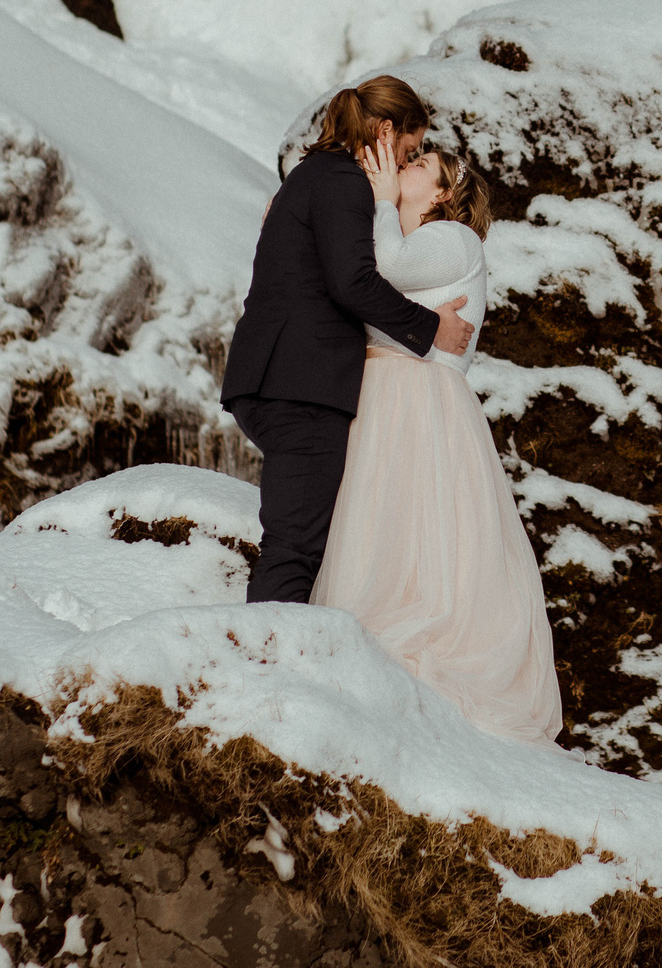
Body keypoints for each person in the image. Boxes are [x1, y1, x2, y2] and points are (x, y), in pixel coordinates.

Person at [310, 135, 563, 748]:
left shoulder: (454, 239)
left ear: (445, 193)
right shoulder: (399, 234)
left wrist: (378, 198)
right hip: (384, 393)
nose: (405, 166)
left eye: (420, 164)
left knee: (415, 529)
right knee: (376, 522)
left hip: (418, 400)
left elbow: (389, 270)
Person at [218, 76, 473, 604]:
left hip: (277, 375)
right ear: (385, 131)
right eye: (410, 149)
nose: (406, 162)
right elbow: (354, 282)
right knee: (295, 550)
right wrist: (433, 329)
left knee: (301, 542)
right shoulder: (343, 181)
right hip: (302, 386)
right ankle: (269, 653)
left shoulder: (314, 174)